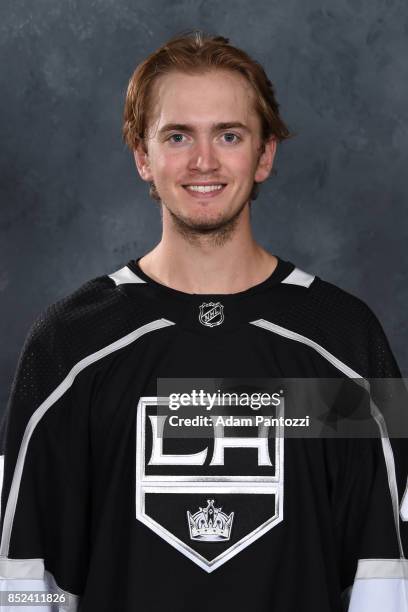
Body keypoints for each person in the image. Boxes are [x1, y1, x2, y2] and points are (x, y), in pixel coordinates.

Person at [0, 30, 407, 612]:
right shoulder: (69, 344)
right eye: (177, 136)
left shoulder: (346, 340)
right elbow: (24, 580)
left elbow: (385, 574)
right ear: (143, 156)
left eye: (229, 135)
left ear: (264, 155)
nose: (204, 161)